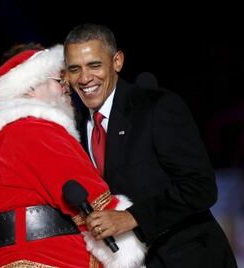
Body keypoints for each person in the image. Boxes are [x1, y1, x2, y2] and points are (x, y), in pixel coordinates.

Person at [64, 23, 237, 267]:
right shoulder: (76, 127)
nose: (84, 78)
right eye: (74, 69)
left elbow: (201, 186)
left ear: (117, 62)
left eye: (94, 65)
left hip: (188, 258)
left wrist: (132, 218)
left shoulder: (156, 107)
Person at [0, 44, 146, 267]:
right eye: (59, 81)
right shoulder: (35, 128)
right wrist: (128, 243)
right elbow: (91, 196)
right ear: (30, 87)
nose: (67, 87)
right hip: (48, 258)